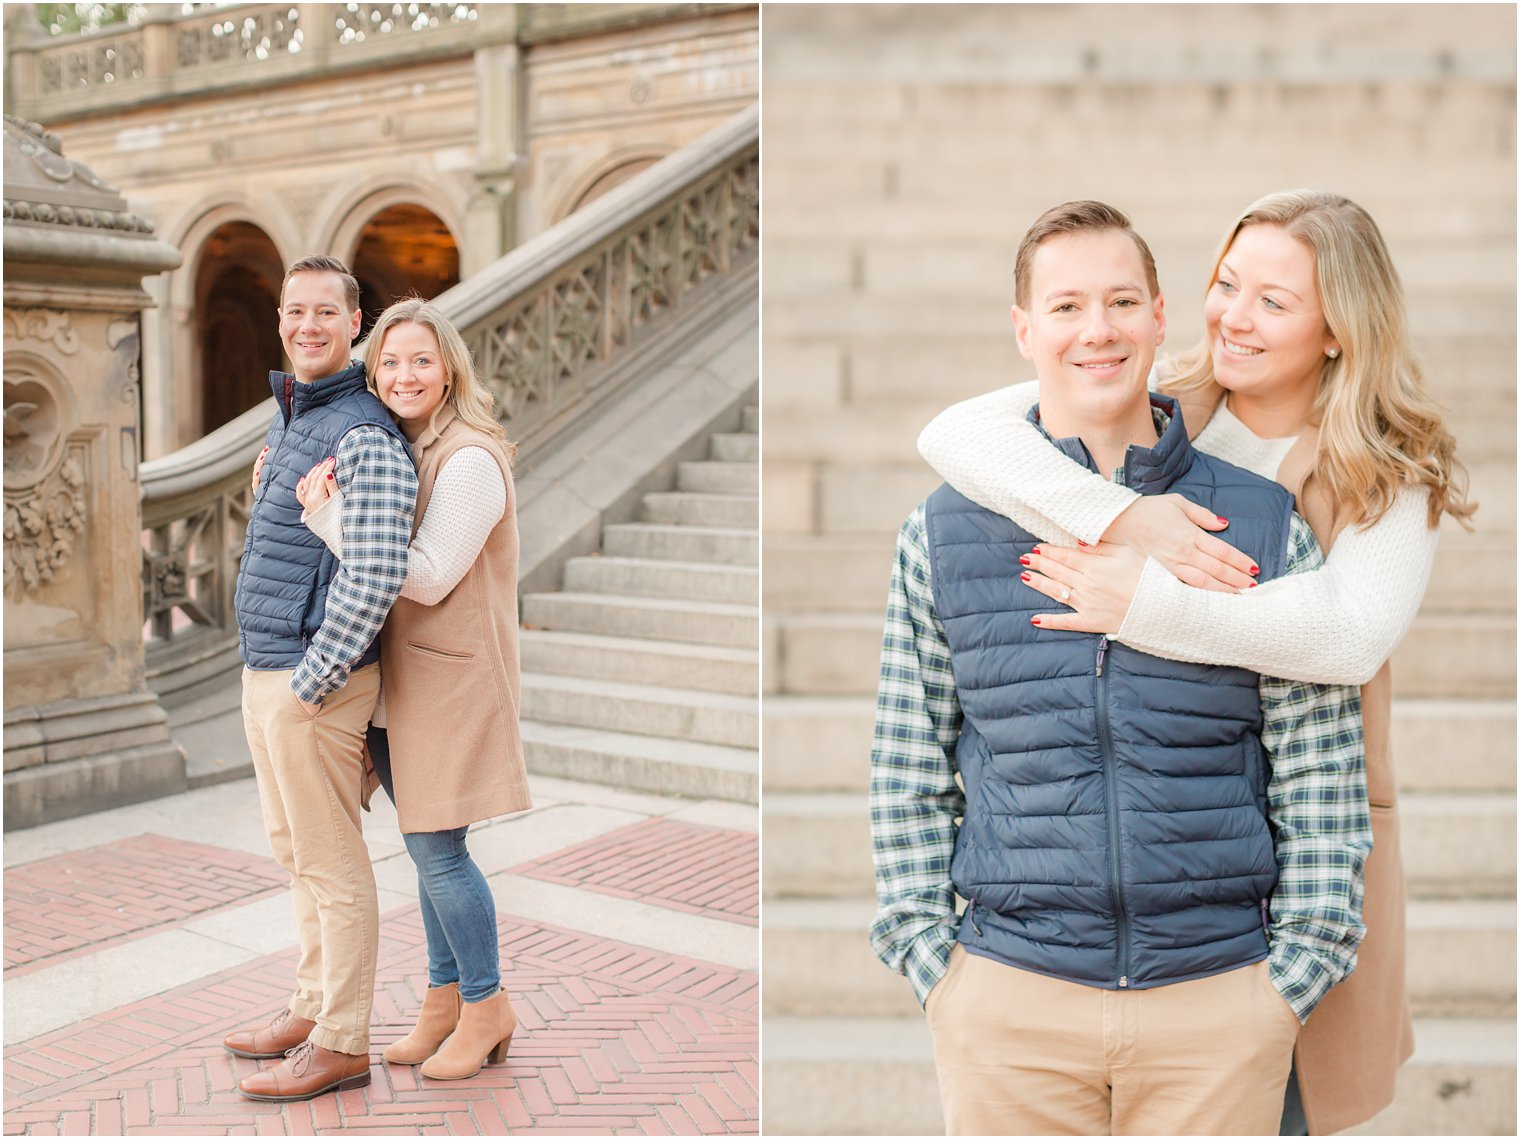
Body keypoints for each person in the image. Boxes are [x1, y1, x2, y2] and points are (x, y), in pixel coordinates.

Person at [915, 190, 1475, 1135]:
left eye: (1274, 301)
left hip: (1289, 847)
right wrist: (1125, 515)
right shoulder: (1166, 397)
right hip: (1116, 865)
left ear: (1340, 328)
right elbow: (954, 435)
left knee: (1285, 1101)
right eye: (1226, 284)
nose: (1234, 318)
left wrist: (1148, 607)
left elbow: (1345, 633)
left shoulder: (1390, 472)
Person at [294, 297, 532, 1082]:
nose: (403, 375)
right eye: (389, 361)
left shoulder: (466, 458)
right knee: (428, 845)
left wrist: (331, 520)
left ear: (449, 368)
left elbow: (426, 578)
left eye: (420, 360)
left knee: (440, 851)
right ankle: (444, 999)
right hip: (405, 683)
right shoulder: (406, 446)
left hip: (452, 685)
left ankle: (488, 1003)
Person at [225, 256, 418, 1102]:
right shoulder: (296, 417)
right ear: (281, 322)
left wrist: (312, 680)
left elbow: (375, 572)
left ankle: (342, 1038)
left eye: (324, 313)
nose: (307, 325)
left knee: (333, 865)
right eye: (293, 311)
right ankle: (311, 1006)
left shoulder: (362, 430)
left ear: (354, 323)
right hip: (266, 666)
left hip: (312, 681)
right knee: (294, 851)